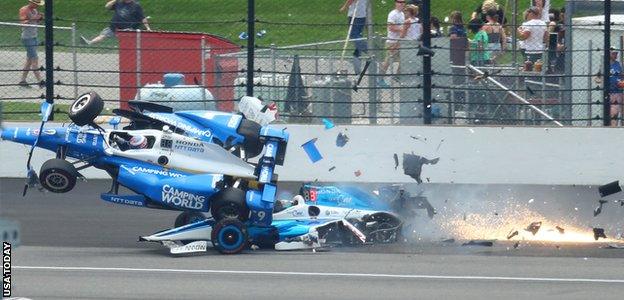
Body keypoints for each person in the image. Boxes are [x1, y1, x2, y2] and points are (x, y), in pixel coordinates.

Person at [81, 0, 151, 45]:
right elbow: (107, 6)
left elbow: (142, 18)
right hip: (114, 26)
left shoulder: (136, 5)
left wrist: (147, 28)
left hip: (126, 29)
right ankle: (89, 42)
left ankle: (132, 53)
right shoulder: (119, 3)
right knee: (103, 35)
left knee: (128, 44)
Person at [18, 0, 45, 88]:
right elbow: (22, 23)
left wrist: (40, 18)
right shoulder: (24, 10)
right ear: (31, 3)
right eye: (36, 4)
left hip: (34, 37)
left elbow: (36, 23)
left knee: (29, 60)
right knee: (34, 59)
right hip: (27, 38)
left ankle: (22, 80)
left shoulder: (35, 11)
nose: (37, 6)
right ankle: (41, 82)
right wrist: (34, 18)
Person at [379, 0, 406, 87]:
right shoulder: (392, 14)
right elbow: (390, 27)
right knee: (388, 61)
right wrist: (403, 29)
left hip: (400, 41)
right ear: (396, 3)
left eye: (403, 2)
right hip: (392, 41)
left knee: (405, 59)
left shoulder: (402, 14)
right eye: (399, 2)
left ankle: (397, 76)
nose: (401, 3)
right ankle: (380, 79)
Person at [340, 0, 369, 74]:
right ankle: (357, 58)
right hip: (361, 16)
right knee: (358, 37)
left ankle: (369, 50)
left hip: (355, 16)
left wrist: (344, 7)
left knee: (354, 36)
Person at [609, 50, 623, 126]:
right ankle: (611, 127)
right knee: (610, 112)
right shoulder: (605, 64)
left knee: (615, 112)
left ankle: (614, 127)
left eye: (616, 53)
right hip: (608, 91)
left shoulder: (618, 64)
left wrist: (621, 82)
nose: (615, 55)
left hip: (617, 91)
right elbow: (598, 78)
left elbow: (622, 76)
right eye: (613, 53)